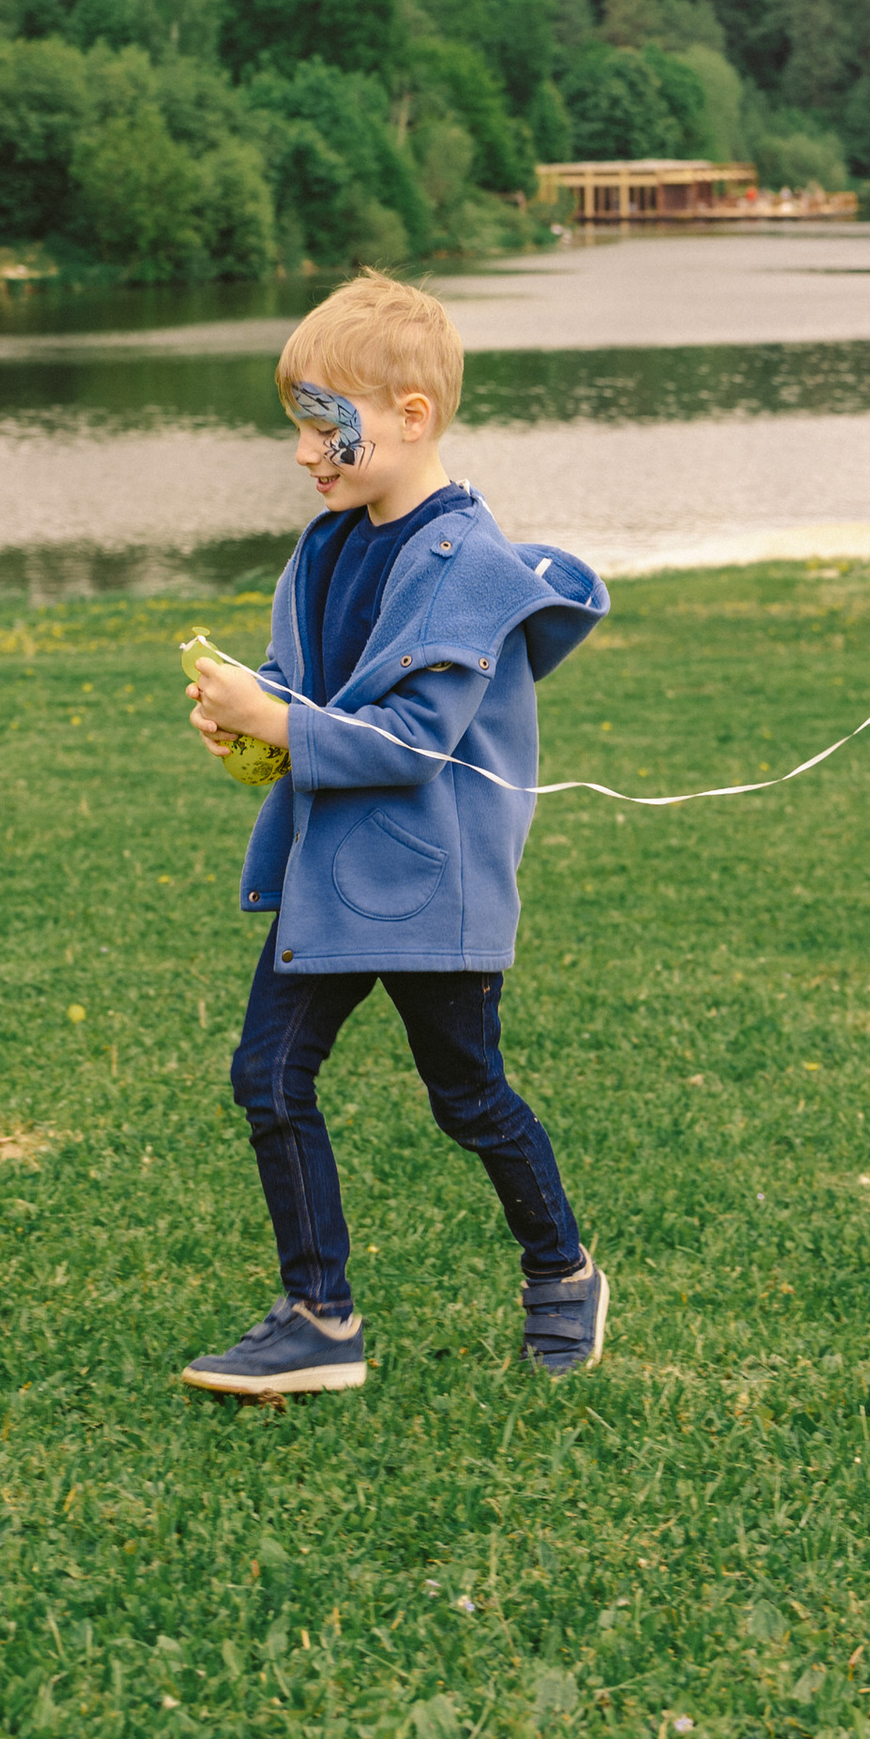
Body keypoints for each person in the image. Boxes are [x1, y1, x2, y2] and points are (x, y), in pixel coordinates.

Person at [179, 269, 610, 1399]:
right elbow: (296, 680)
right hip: (328, 878)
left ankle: (562, 1272)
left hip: (429, 886)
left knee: (467, 1096)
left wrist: (283, 718)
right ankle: (320, 1318)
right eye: (300, 427)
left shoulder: (467, 566)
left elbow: (411, 741)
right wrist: (250, 724)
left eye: (325, 424)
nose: (306, 451)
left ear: (410, 415)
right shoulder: (324, 546)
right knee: (268, 1076)